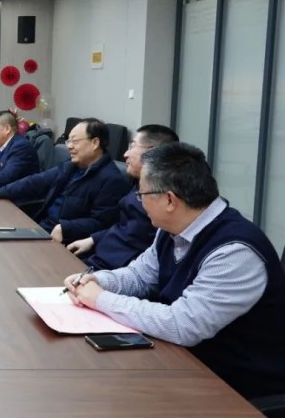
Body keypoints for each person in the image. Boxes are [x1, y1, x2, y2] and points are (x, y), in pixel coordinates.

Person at [64, 143, 285, 400]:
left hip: (236, 387)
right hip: (182, 361)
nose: (140, 202)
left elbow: (183, 325)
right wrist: (95, 280)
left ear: (170, 200)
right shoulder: (174, 229)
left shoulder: (234, 251)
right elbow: (140, 277)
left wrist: (100, 298)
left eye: (142, 194)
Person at [0, 118, 129, 244]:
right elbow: (36, 181)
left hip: (66, 240)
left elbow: (103, 224)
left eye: (75, 141)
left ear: (95, 143)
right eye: (68, 141)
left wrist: (65, 228)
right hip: (43, 227)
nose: (69, 146)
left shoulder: (111, 179)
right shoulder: (72, 166)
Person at [66, 124, 179, 269]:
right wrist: (94, 239)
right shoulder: (138, 183)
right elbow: (124, 226)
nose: (125, 154)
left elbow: (134, 244)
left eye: (132, 146)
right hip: (99, 256)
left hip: (114, 268)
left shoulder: (159, 198)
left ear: (153, 153)